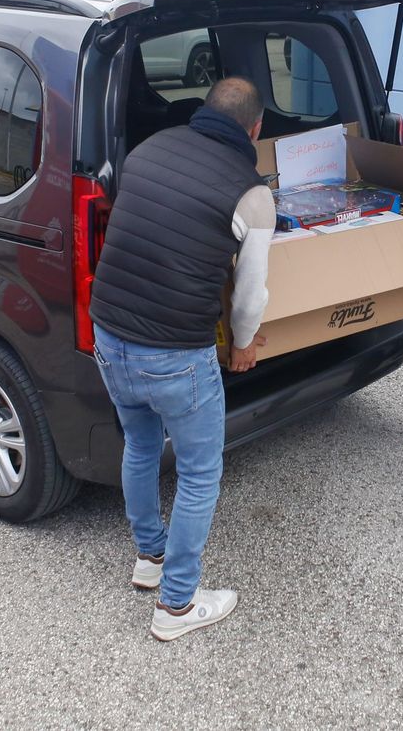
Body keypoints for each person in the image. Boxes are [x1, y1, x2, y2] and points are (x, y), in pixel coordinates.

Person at [88, 76, 274, 641]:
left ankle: (150, 559)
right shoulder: (253, 195)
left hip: (107, 333)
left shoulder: (148, 149)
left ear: (204, 109)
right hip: (174, 352)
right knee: (199, 473)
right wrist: (243, 344)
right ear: (256, 129)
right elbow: (250, 295)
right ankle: (176, 605)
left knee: (141, 445)